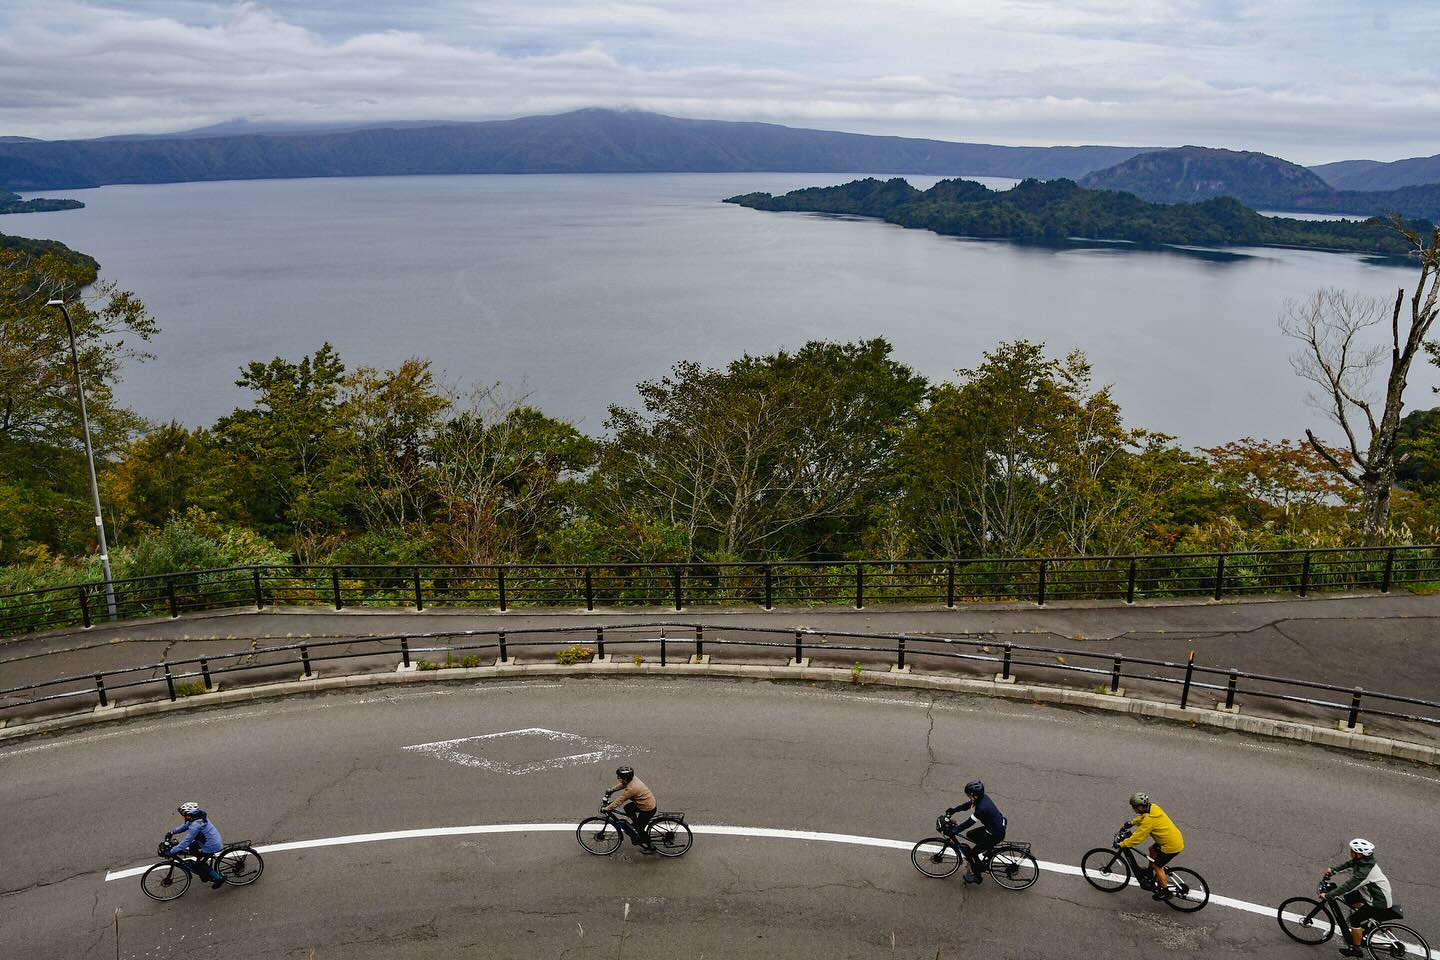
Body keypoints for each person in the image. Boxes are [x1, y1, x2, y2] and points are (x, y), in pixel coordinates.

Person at [1322, 838, 1398, 958]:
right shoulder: (1364, 861)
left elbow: (1349, 885)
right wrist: (1334, 870)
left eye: (1352, 852)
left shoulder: (1364, 872)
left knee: (1354, 920)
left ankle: (1356, 948)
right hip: (1371, 894)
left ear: (1360, 854)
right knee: (1349, 899)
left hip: (1378, 902)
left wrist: (1329, 895)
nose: (1350, 853)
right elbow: (1350, 863)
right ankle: (1368, 921)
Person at [1119, 792, 1184, 900]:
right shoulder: (1153, 808)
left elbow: (1138, 837)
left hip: (1171, 846)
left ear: (1140, 806)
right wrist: (1132, 823)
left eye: (1134, 807)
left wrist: (1122, 844)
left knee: (1157, 866)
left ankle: (1165, 892)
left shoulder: (1150, 820)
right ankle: (1149, 871)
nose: (1133, 809)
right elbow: (1143, 817)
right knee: (1152, 849)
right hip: (1173, 839)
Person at [945, 780, 1006, 884]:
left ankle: (977, 877)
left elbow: (968, 823)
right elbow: (968, 805)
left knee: (972, 854)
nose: (968, 797)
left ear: (975, 795)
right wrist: (954, 810)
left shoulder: (982, 809)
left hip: (995, 834)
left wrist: (955, 830)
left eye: (969, 795)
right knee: (970, 834)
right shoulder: (982, 798)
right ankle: (986, 850)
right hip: (996, 826)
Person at [163, 802, 226, 888]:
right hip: (208, 839)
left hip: (211, 845)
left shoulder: (196, 826)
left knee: (199, 864)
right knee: (192, 848)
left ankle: (218, 878)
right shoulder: (197, 816)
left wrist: (172, 851)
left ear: (189, 814)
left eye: (184, 815)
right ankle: (203, 862)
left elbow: (186, 841)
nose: (183, 817)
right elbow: (186, 825)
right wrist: (172, 832)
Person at [604, 766, 658, 855]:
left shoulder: (632, 789)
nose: (618, 778)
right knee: (628, 808)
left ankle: (650, 847)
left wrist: (607, 808)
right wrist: (612, 790)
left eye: (619, 777)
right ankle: (636, 823)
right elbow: (623, 784)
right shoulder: (632, 779)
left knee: (639, 828)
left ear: (625, 778)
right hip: (646, 802)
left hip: (647, 808)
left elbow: (620, 800)